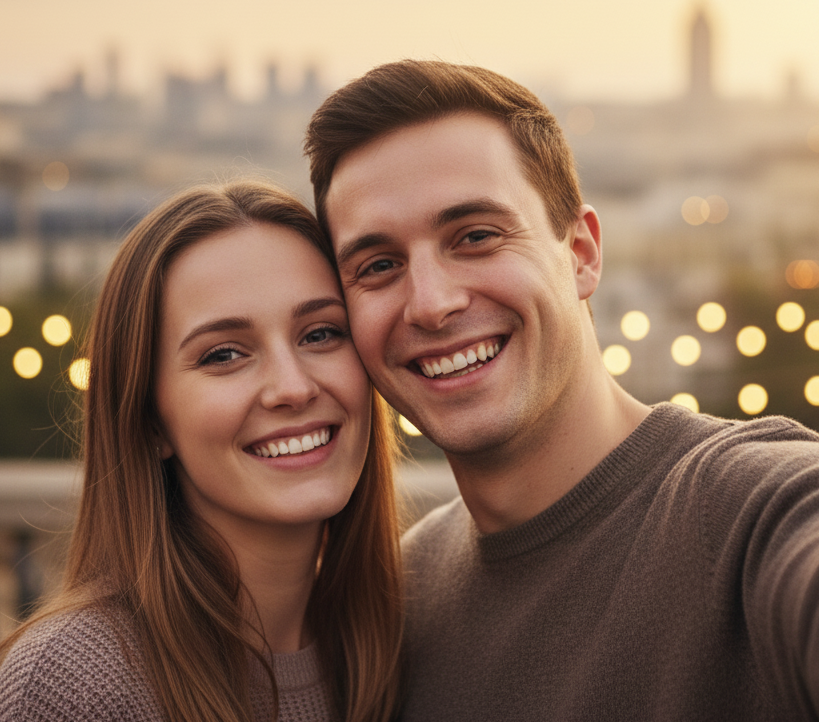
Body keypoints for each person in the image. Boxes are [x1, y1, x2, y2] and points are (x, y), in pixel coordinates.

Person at [304, 59, 819, 721]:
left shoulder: (754, 513)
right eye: (378, 265)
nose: (430, 303)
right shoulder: (396, 602)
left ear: (580, 252)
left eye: (476, 236)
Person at [0, 180, 403, 722]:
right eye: (224, 354)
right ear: (150, 421)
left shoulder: (397, 646)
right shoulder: (76, 686)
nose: (293, 387)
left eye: (320, 334)